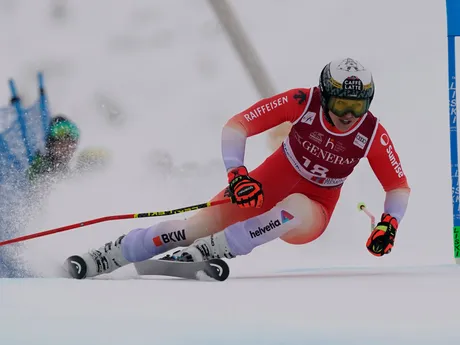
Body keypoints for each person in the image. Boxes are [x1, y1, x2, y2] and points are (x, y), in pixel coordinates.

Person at [65, 57, 411, 279]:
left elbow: (397, 186)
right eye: (341, 104)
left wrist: (389, 224)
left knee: (295, 210)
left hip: (314, 209)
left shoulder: (371, 133)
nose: (349, 115)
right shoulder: (303, 101)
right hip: (265, 184)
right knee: (195, 225)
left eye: (358, 106)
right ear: (325, 94)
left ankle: (215, 249)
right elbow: (237, 125)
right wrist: (237, 174)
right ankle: (107, 256)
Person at [27, 115, 80, 183]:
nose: (67, 149)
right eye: (62, 144)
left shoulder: (66, 168)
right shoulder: (40, 164)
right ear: (51, 144)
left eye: (70, 144)